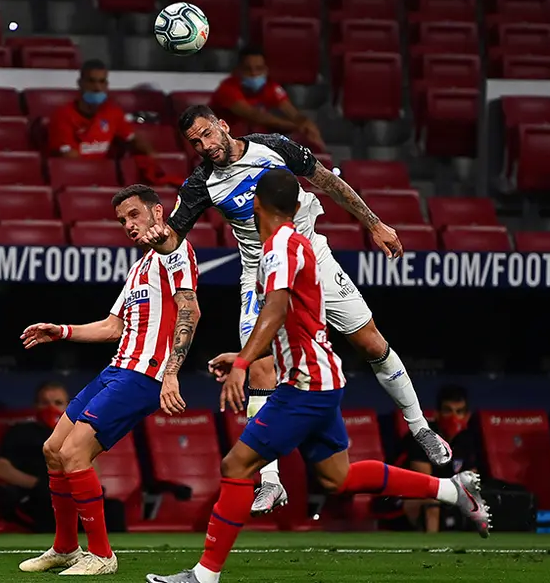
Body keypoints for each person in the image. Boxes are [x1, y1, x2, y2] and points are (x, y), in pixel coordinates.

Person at [145, 170, 490, 583]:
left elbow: (273, 312)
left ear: (256, 206)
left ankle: (204, 575)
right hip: (319, 377)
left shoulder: (281, 249)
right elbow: (295, 319)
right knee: (336, 477)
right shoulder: (293, 243)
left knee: (236, 465)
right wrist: (242, 354)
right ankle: (455, 490)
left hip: (305, 385)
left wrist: (243, 365)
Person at [138, 105, 453, 517]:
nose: (205, 146)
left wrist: (374, 224)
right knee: (260, 368)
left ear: (223, 125)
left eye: (207, 134)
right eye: (195, 142)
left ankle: (420, 428)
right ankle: (271, 482)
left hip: (313, 257)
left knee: (372, 343)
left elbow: (328, 183)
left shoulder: (274, 147)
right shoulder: (201, 184)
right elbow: (172, 240)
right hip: (260, 271)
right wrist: (159, 237)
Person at [17, 184, 201, 576]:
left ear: (157, 211)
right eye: (122, 220)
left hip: (143, 376)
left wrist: (171, 374)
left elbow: (191, 311)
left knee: (74, 454)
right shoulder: (139, 267)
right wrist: (61, 331)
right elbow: (112, 326)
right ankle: (66, 547)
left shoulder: (175, 250)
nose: (128, 225)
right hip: (115, 370)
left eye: (134, 215)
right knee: (53, 449)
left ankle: (101, 555)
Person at [209, 46, 325, 151]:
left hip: (258, 146)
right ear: (238, 70)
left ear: (266, 70)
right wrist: (296, 126)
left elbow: (293, 113)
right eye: (248, 69)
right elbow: (255, 116)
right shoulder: (227, 89)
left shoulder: (271, 87)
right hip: (225, 146)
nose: (254, 74)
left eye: (259, 69)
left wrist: (306, 123)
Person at [0, 381, 72, 532]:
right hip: (35, 495)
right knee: (50, 500)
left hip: (72, 494)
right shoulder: (20, 432)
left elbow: (94, 470)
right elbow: (0, 469)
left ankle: (110, 553)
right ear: (36, 406)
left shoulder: (75, 433)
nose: (51, 408)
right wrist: (40, 485)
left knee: (113, 508)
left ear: (67, 407)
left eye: (58, 403)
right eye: (45, 403)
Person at [403, 385, 481, 532]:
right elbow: (425, 483)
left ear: (467, 416)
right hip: (404, 498)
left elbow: (471, 479)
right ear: (437, 414)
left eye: (459, 412)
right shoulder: (423, 436)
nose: (453, 417)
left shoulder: (467, 440)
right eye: (447, 411)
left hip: (447, 497)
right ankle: (433, 549)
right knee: (432, 500)